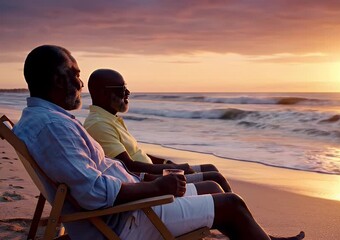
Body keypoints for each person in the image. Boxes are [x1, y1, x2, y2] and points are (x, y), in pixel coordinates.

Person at [13, 45, 305, 240]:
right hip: (123, 220)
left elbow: (93, 177)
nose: (79, 84)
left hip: (127, 208)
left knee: (213, 187)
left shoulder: (43, 119)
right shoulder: (53, 126)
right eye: (74, 75)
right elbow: (94, 194)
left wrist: (146, 177)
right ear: (55, 79)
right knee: (231, 204)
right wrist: (155, 186)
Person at [84, 69, 232, 192]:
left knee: (210, 168)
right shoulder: (98, 124)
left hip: (155, 173)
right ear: (103, 94)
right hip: (148, 180)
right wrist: (174, 169)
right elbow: (129, 166)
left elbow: (135, 154)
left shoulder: (109, 119)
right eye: (122, 89)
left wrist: (167, 162)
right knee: (215, 179)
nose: (128, 92)